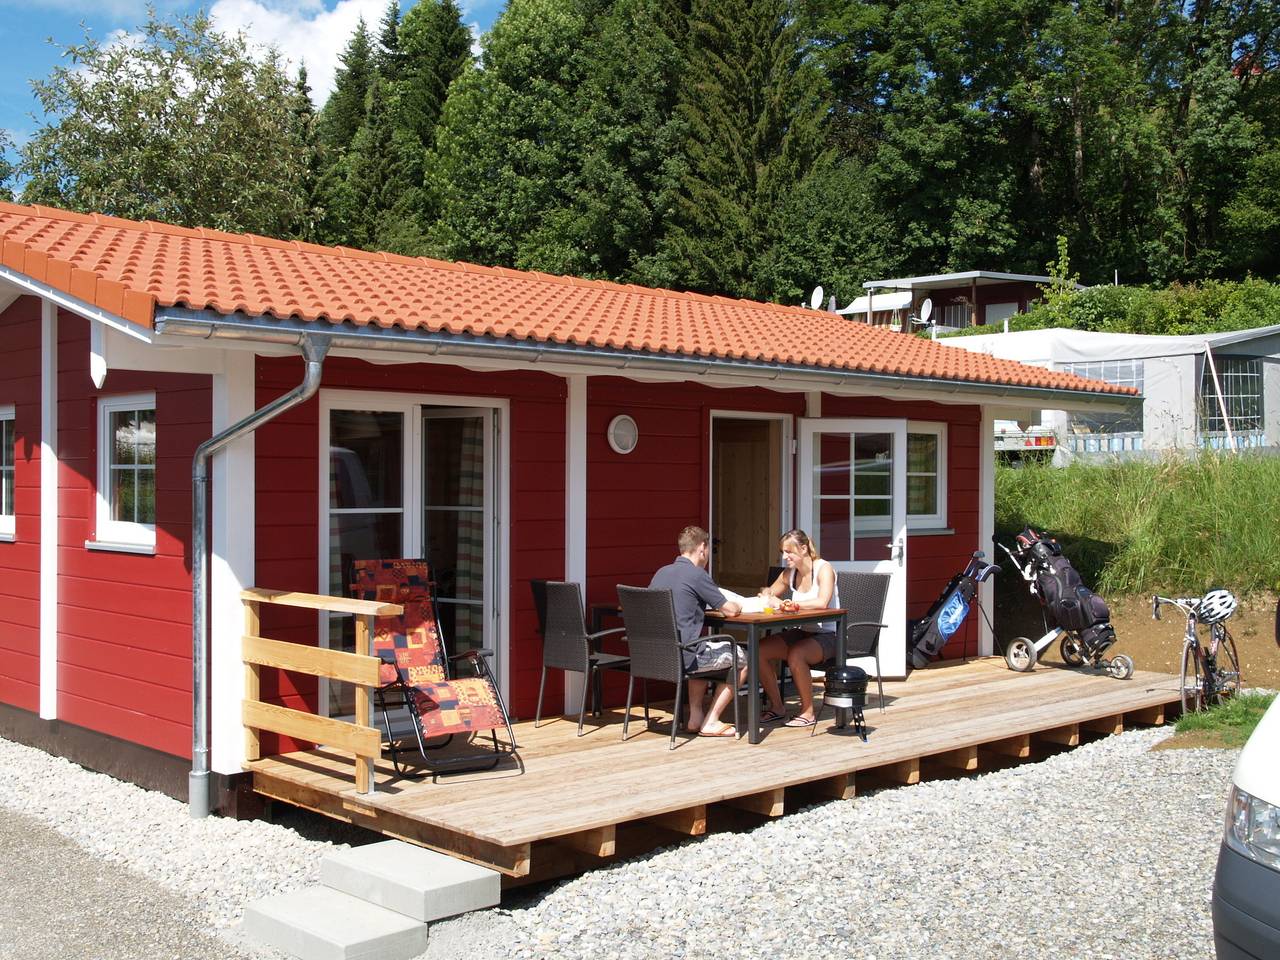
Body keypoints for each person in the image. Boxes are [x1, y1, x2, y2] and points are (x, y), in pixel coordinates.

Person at [649, 525, 744, 738]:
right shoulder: (697, 575)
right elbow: (729, 609)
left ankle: (695, 717)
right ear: (702, 548)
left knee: (699, 646)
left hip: (659, 656)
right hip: (685, 656)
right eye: (708, 548)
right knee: (744, 659)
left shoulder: (661, 572)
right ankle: (711, 721)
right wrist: (739, 605)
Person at [756, 529, 840, 728]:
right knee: (758, 650)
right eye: (783, 552)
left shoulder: (823, 569)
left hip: (830, 636)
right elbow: (767, 591)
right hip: (804, 632)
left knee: (796, 654)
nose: (785, 557)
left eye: (789, 552)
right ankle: (777, 707)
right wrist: (767, 595)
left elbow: (822, 601)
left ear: (803, 549)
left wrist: (791, 605)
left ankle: (807, 712)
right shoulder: (789, 574)